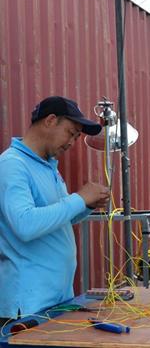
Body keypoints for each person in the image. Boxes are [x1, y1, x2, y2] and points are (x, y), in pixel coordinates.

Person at [0, 97, 110, 323]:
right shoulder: (12, 164)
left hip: (55, 299)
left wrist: (86, 205)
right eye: (71, 133)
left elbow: (55, 219)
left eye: (77, 137)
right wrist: (78, 199)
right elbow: (25, 224)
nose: (72, 142)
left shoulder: (47, 166)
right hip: (28, 307)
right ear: (50, 120)